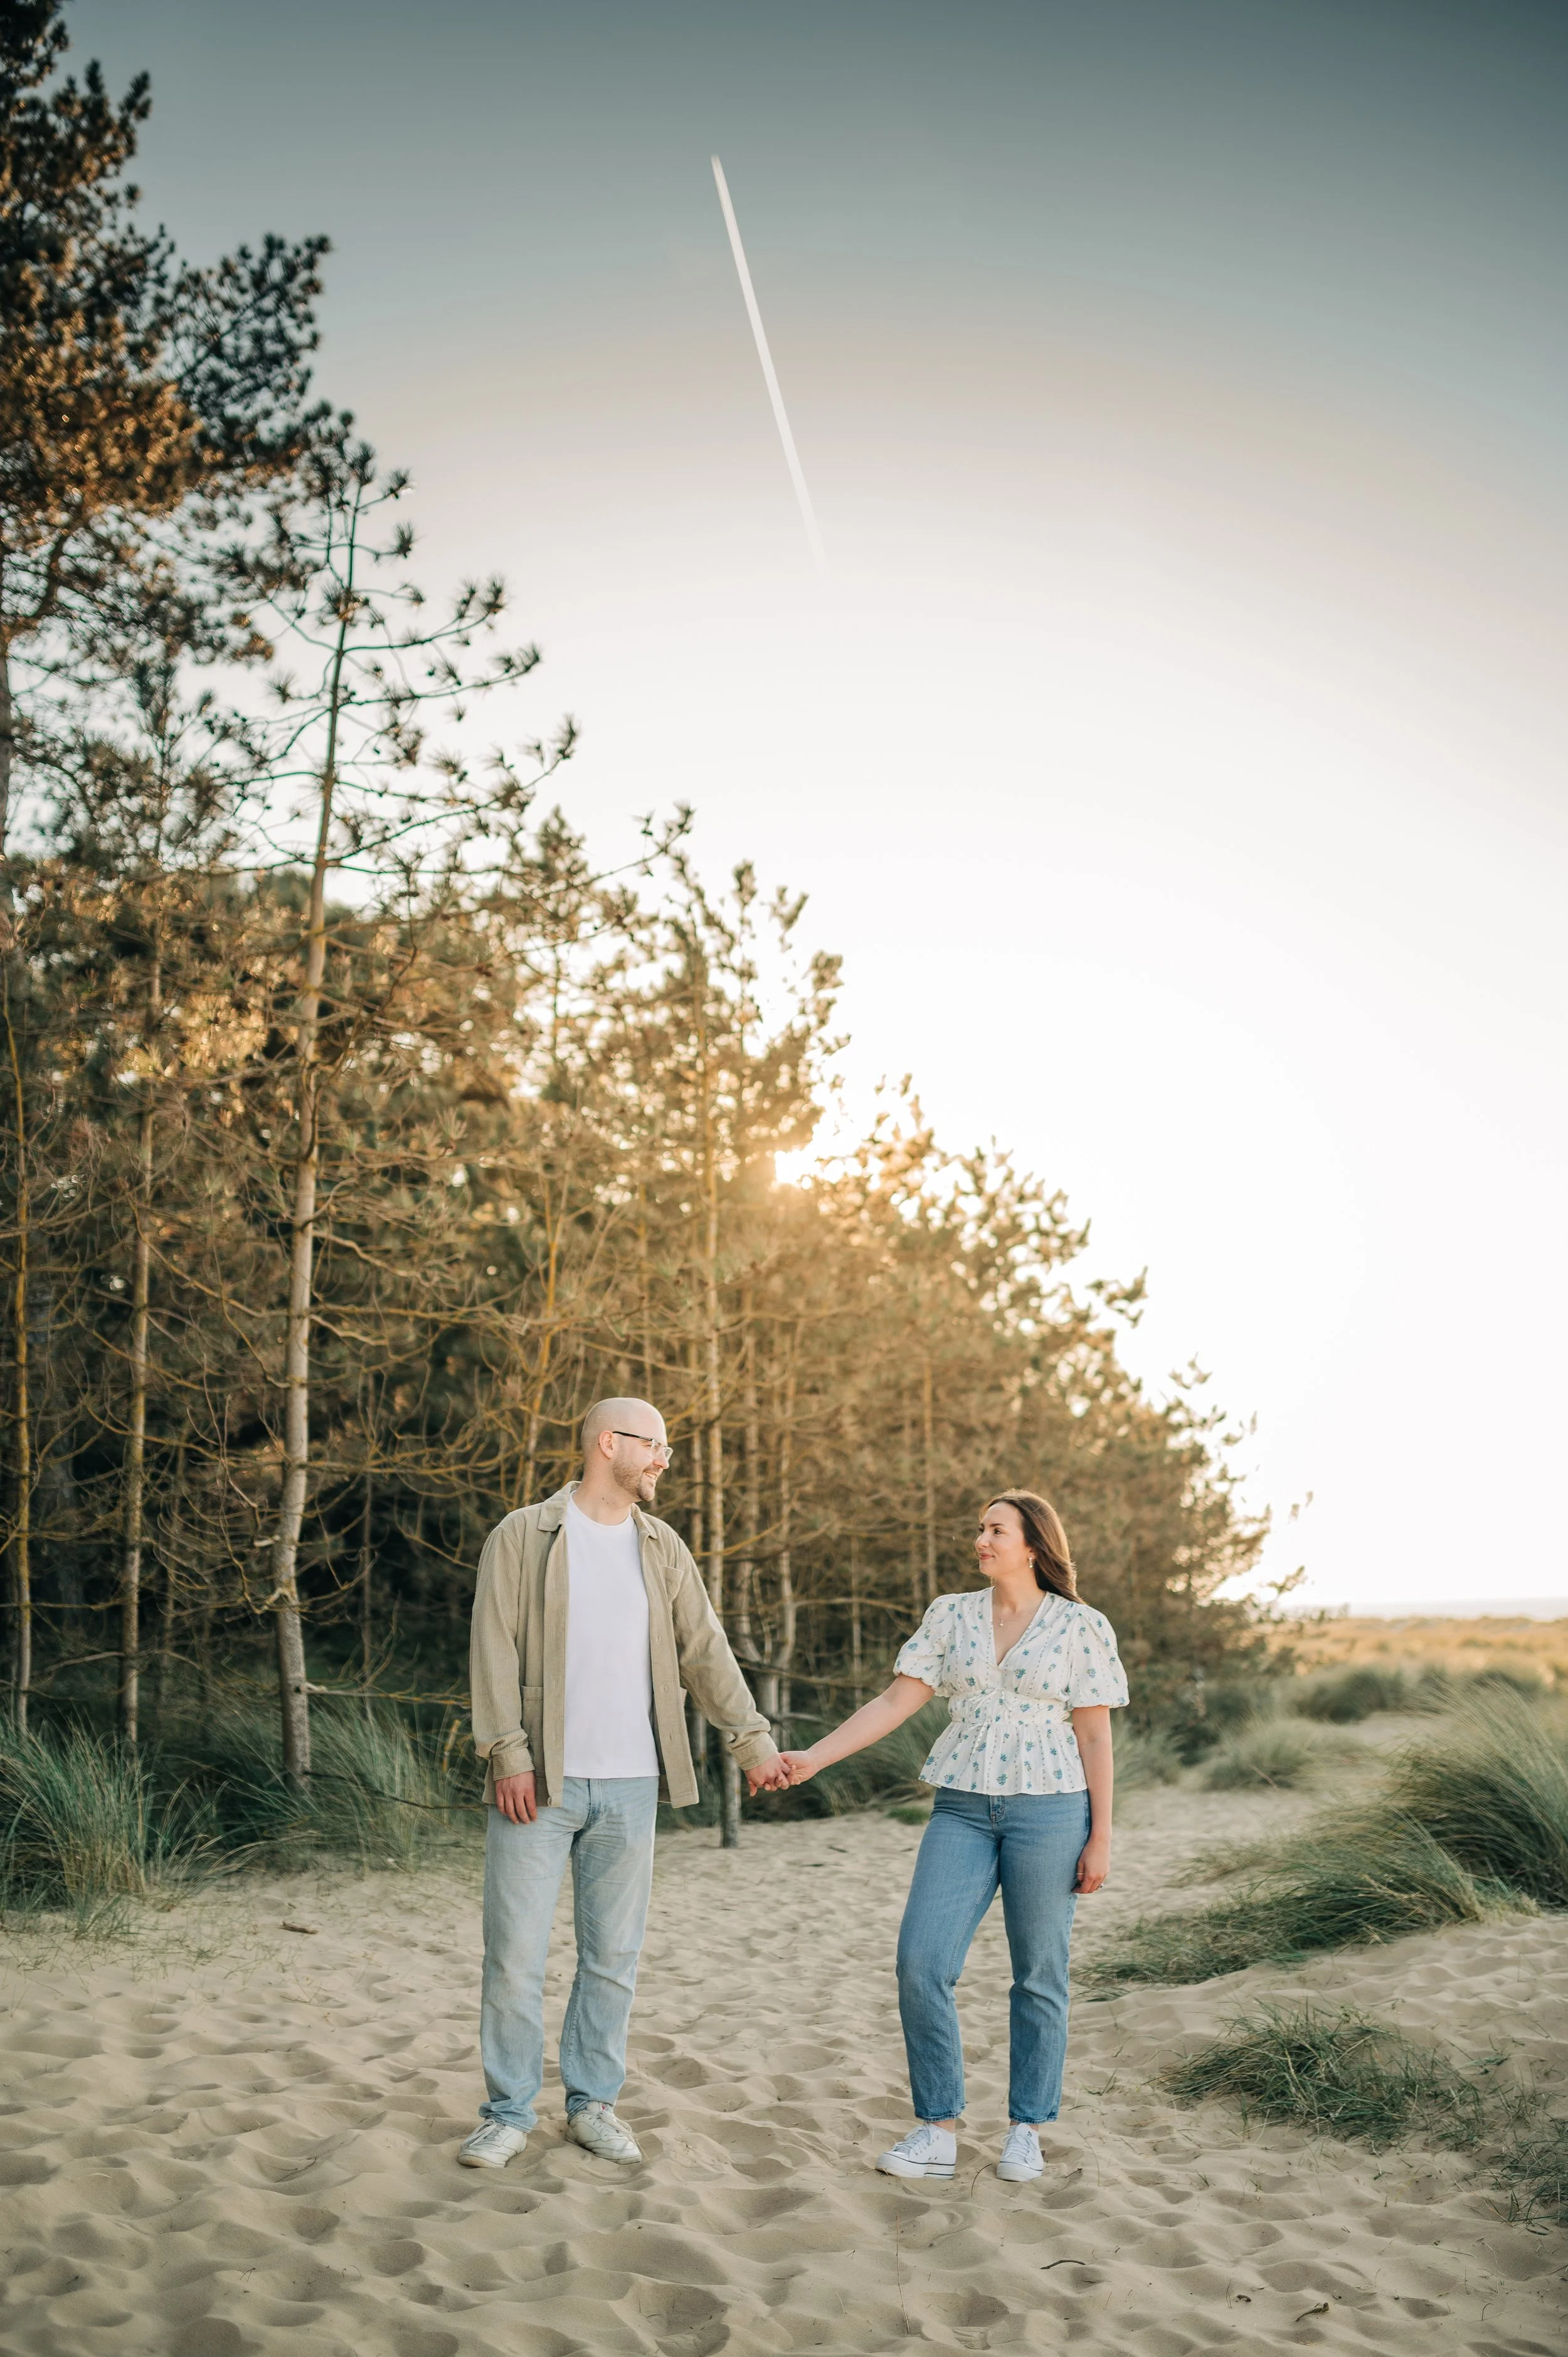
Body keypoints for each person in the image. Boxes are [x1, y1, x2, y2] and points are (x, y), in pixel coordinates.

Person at [459, 1397, 790, 2169]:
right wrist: (507, 1753)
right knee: (513, 1954)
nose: (664, 1462)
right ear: (609, 1444)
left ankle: (592, 2104)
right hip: (539, 1783)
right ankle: (506, 2112)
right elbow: (493, 1646)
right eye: (657, 1447)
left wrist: (753, 1745)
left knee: (612, 1957)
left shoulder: (661, 1544)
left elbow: (704, 1650)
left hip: (633, 1783)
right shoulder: (524, 1534)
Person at [779, 1489, 1126, 2185]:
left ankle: (1026, 2128)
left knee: (1038, 1974)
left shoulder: (1080, 1625)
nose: (981, 1539)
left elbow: (1093, 1732)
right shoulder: (950, 1614)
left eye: (996, 1529)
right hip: (962, 1807)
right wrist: (815, 1756)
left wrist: (1101, 1838)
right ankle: (937, 2129)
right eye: (980, 1529)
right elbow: (893, 1701)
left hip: (1052, 1811)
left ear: (1033, 1545)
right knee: (920, 1960)